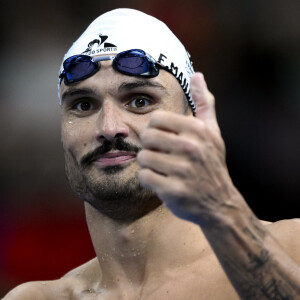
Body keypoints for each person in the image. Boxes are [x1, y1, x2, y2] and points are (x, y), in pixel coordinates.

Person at [4, 8, 300, 300]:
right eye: (83, 105)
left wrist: (223, 214)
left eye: (140, 100)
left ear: (193, 121)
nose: (109, 128)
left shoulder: (291, 248)